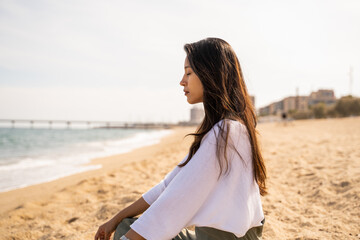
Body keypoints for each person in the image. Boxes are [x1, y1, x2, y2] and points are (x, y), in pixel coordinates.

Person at [94, 37, 267, 240]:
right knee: (127, 225)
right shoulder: (228, 127)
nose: (182, 81)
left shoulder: (226, 133)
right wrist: (115, 219)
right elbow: (168, 186)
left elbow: (172, 205)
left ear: (210, 74)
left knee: (132, 232)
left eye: (188, 73)